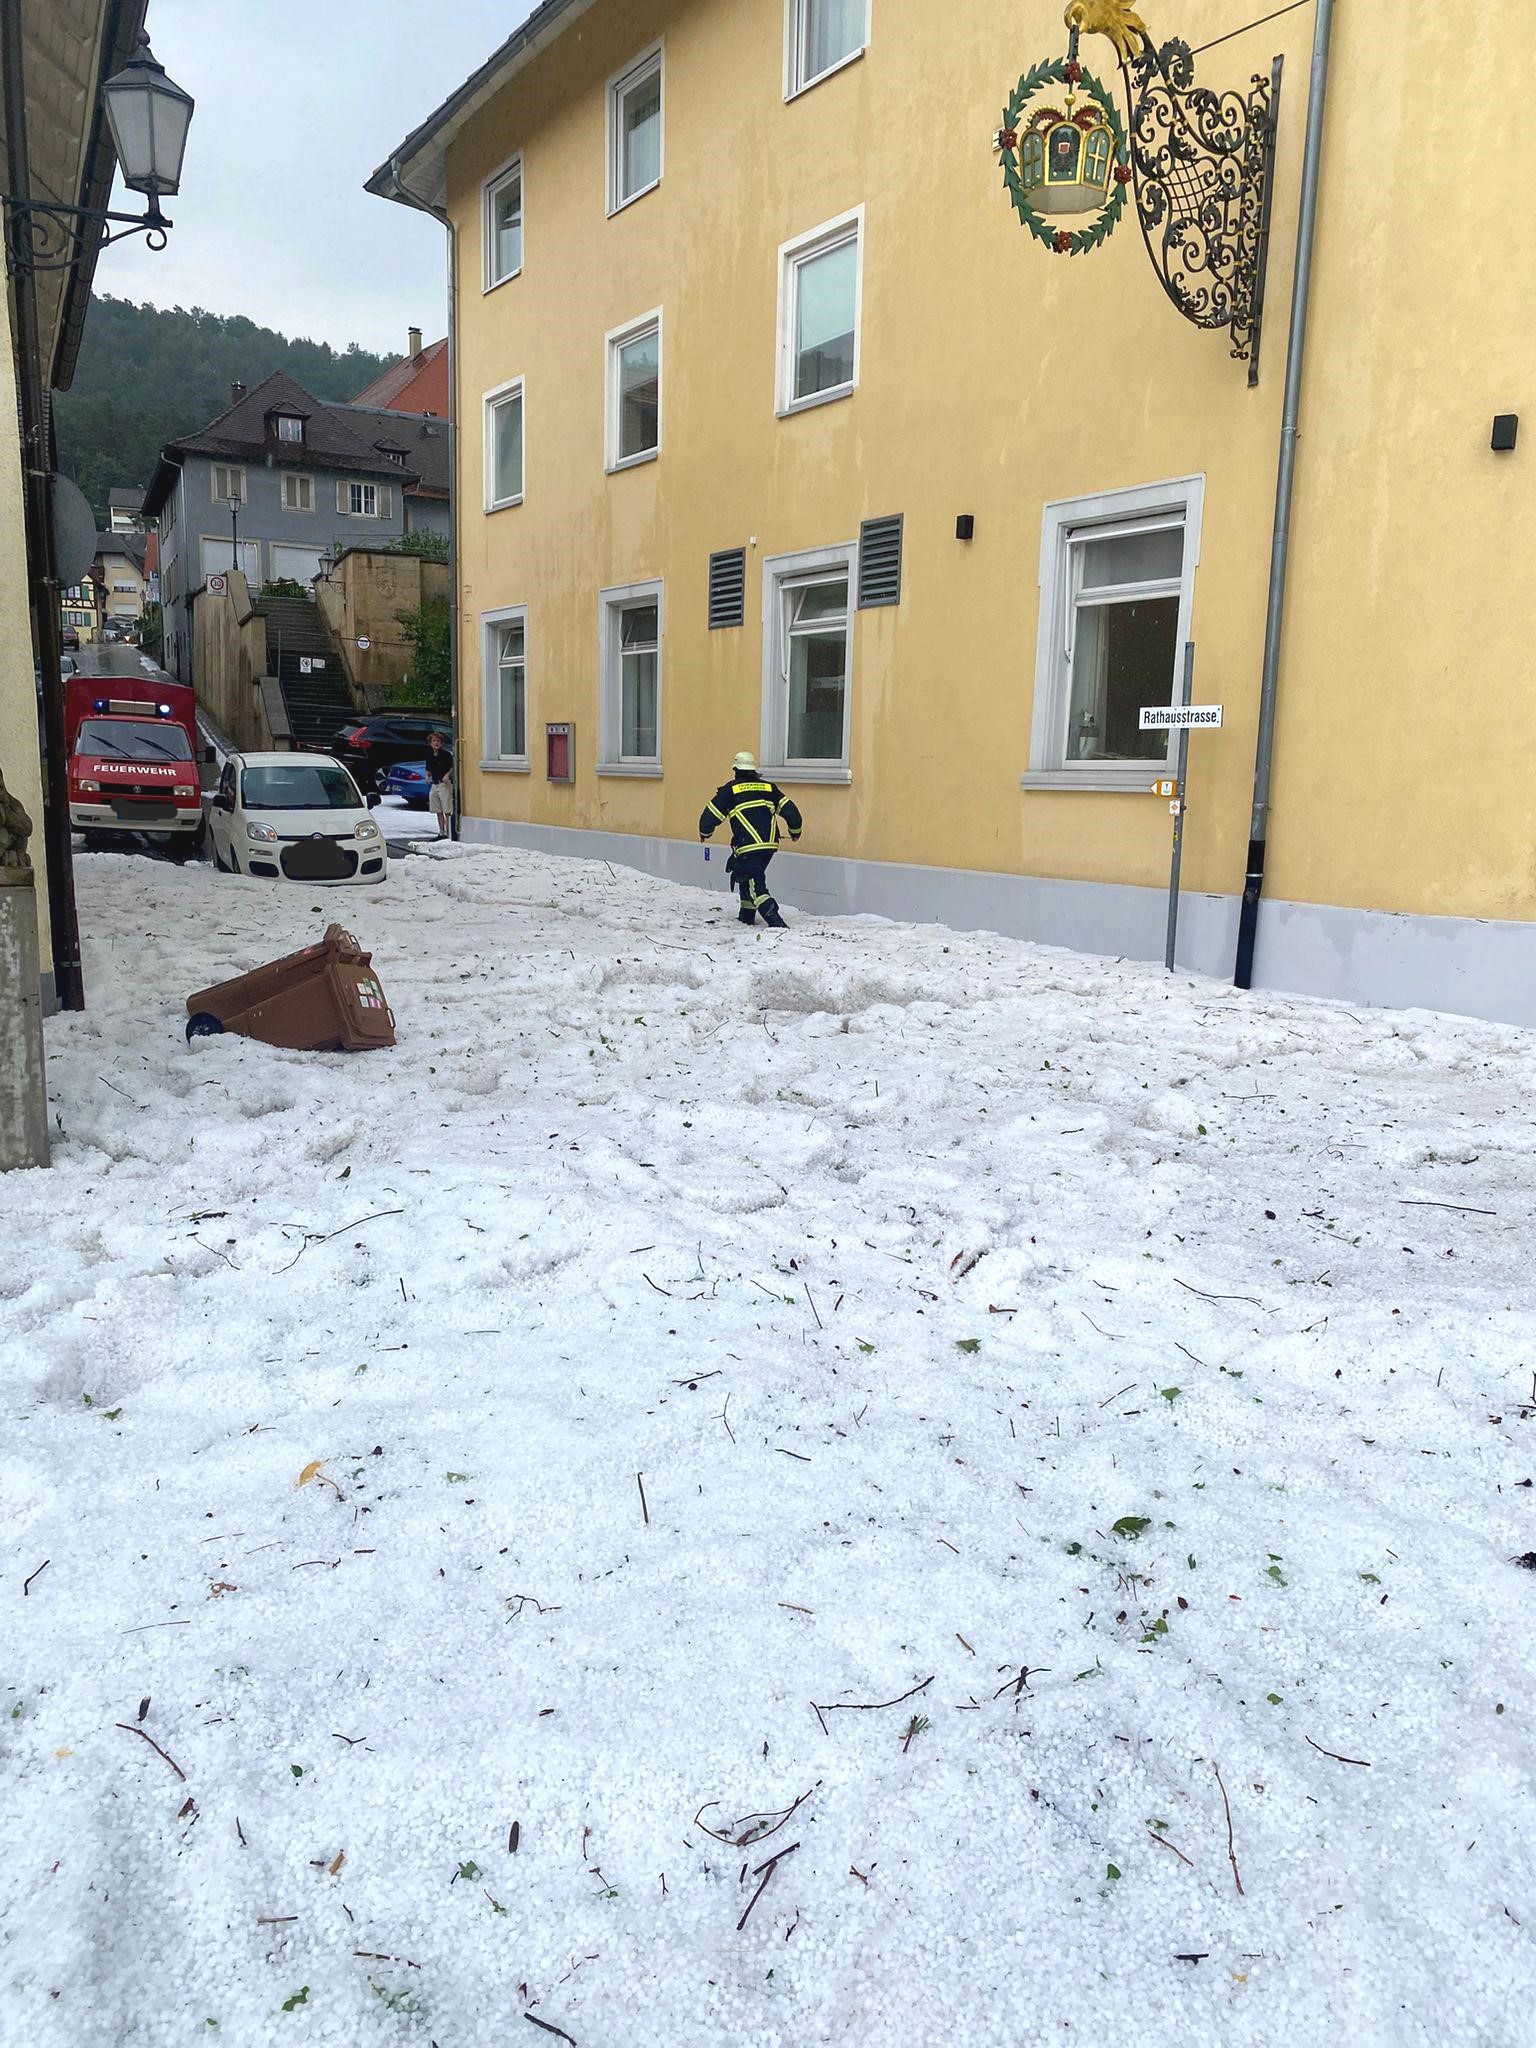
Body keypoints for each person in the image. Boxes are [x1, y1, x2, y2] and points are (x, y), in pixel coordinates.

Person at [698, 751, 802, 927]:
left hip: (748, 846)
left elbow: (710, 816)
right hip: (769, 845)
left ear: (735, 770)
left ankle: (776, 922)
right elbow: (792, 813)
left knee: (756, 886)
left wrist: (705, 833)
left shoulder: (730, 791)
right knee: (747, 878)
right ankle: (746, 916)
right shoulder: (770, 788)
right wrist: (795, 832)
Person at [424, 728, 453, 839]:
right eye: (434, 741)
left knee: (447, 809)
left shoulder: (446, 755)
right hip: (434, 784)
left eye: (438, 741)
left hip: (444, 784)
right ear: (430, 743)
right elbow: (428, 769)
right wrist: (427, 776)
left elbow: (451, 767)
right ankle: (441, 831)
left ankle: (449, 832)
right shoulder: (430, 756)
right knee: (437, 809)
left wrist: (447, 775)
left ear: (441, 743)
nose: (436, 743)